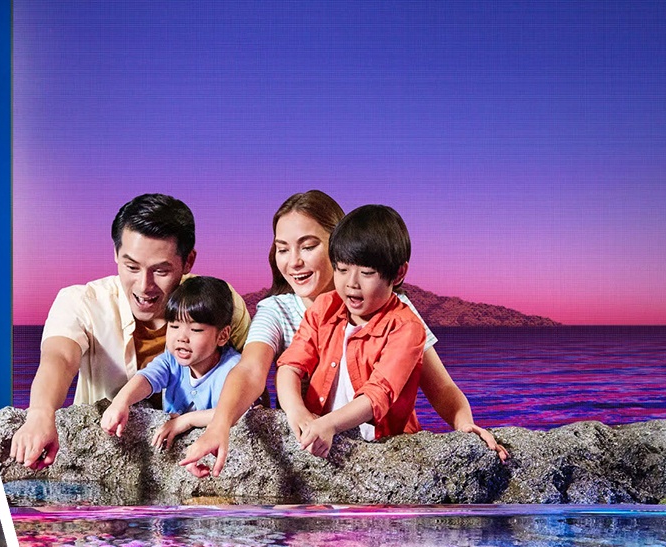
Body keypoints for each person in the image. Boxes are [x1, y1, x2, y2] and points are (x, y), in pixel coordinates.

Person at [180, 191, 505, 475]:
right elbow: (252, 370)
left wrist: (464, 426)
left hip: (385, 442)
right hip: (317, 443)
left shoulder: (401, 315)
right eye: (282, 249)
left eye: (307, 247)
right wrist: (221, 425)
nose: (293, 262)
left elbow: (439, 385)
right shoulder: (278, 310)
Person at [9, 193, 252, 468]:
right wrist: (41, 415)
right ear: (115, 253)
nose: (143, 285)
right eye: (131, 266)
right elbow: (59, 359)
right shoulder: (81, 301)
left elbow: (250, 375)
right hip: (108, 456)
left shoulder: (218, 301)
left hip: (197, 455)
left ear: (188, 262)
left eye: (161, 271)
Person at [275, 204, 428, 457]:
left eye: (366, 273)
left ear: (398, 273)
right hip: (324, 437)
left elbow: (377, 394)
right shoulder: (325, 307)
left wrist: (329, 424)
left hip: (385, 446)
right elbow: (290, 365)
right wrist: (296, 411)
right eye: (342, 269)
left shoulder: (406, 327)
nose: (351, 284)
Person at [100, 276, 243, 448]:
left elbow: (239, 413)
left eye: (195, 330)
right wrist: (121, 402)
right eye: (174, 326)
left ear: (223, 336)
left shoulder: (234, 369)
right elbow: (147, 378)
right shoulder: (171, 359)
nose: (181, 338)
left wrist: (187, 420)